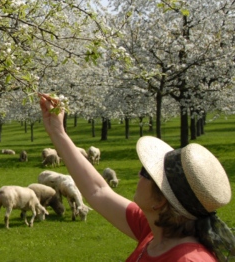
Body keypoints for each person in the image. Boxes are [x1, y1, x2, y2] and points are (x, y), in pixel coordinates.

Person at [38, 93, 235, 262]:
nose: (139, 173)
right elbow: (98, 190)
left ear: (161, 200)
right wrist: (57, 131)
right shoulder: (155, 231)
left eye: (147, 173)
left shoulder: (188, 259)